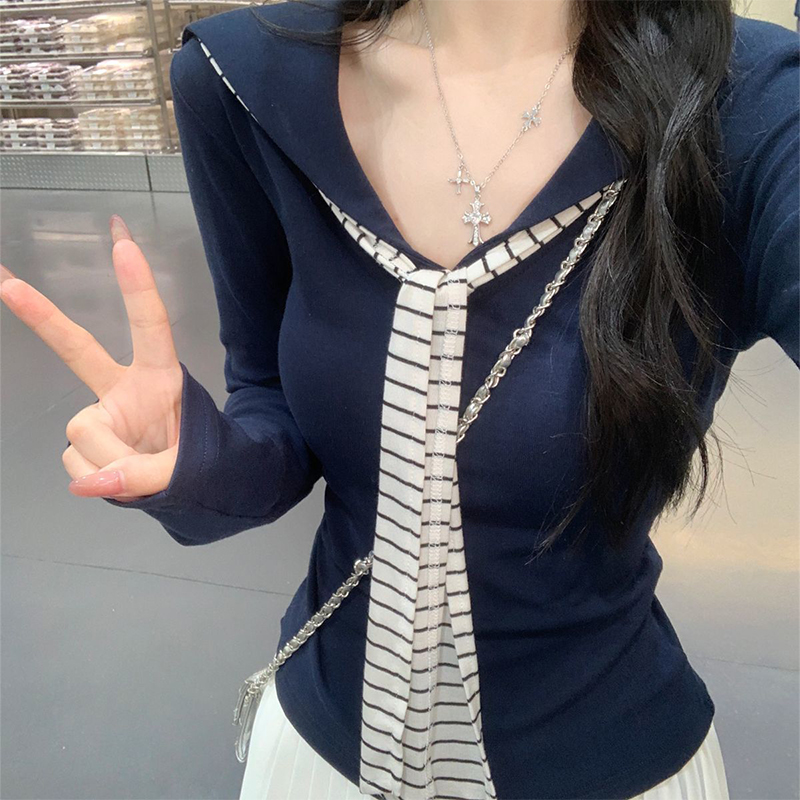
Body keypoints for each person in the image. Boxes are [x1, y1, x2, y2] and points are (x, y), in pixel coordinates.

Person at [1, 0, 798, 798]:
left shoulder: (747, 107)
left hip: (608, 754)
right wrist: (199, 465)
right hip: (322, 751)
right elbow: (271, 401)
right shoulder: (244, 80)